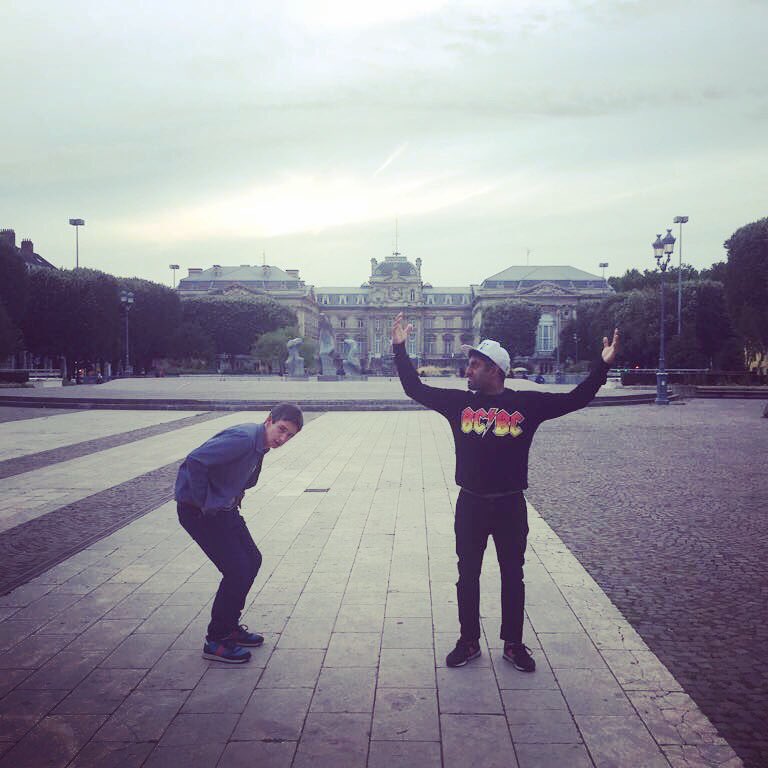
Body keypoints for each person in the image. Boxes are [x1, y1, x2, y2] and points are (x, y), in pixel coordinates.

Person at [391, 313, 619, 670]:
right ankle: (468, 641)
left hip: (510, 505)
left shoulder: (526, 405)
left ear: (495, 370)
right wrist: (399, 348)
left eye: (474, 365)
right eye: (469, 364)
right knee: (467, 575)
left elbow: (576, 398)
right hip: (470, 503)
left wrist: (603, 366)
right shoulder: (459, 404)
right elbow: (414, 388)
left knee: (513, 576)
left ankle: (513, 644)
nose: (467, 370)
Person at [174, 402, 303, 663]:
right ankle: (216, 640)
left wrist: (233, 494)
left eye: (290, 435)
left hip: (224, 509)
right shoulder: (243, 438)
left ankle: (230, 627)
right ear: (269, 420)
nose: (283, 439)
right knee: (237, 570)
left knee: (252, 560)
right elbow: (196, 460)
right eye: (281, 429)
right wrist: (203, 501)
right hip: (200, 512)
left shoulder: (260, 444)